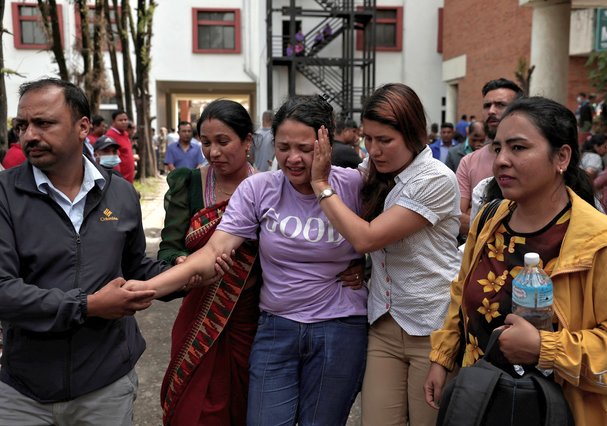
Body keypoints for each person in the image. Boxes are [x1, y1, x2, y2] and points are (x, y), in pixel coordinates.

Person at [126, 94, 368, 426]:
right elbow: (213, 252)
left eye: (305, 148)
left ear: (325, 141)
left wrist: (364, 264)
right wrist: (145, 289)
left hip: (339, 328)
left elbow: (388, 238)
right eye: (283, 148)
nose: (293, 159)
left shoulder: (355, 185)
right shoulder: (259, 189)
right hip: (276, 328)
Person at [425, 96, 607, 425]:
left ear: (562, 157)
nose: (501, 161)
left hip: (565, 412)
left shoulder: (606, 245)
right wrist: (442, 358)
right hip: (483, 400)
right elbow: (460, 293)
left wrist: (544, 347)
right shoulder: (488, 221)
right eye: (498, 149)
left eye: (519, 148)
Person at [0, 78, 164, 425]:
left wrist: (185, 270)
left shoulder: (119, 193)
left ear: (82, 127)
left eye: (43, 123)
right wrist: (89, 306)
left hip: (105, 385)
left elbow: (134, 267)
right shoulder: (4, 195)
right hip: (23, 391)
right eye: (22, 126)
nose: (29, 135)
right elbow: (3, 291)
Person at [312, 83, 461, 425]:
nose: (374, 150)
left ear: (413, 134)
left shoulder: (435, 179)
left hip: (432, 327)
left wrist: (321, 185)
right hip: (384, 323)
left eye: (385, 140)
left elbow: (367, 238)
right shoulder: (375, 172)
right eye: (368, 138)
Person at [156, 100, 260, 425]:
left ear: (247, 141)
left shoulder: (269, 189)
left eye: (223, 142)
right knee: (194, 410)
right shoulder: (188, 184)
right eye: (206, 142)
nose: (213, 152)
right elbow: (168, 250)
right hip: (199, 315)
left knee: (243, 407)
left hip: (251, 320)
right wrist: (183, 262)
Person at [456, 78, 523, 237]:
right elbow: (455, 219)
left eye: (500, 105)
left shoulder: (531, 158)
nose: (492, 111)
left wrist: (476, 213)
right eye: (487, 106)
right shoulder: (468, 161)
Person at [105, 109, 136, 183]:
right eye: (120, 120)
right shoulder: (110, 136)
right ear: (113, 122)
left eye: (125, 120)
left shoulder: (125, 134)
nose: (124, 122)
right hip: (119, 181)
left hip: (128, 179)